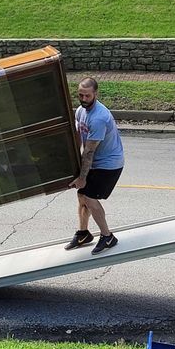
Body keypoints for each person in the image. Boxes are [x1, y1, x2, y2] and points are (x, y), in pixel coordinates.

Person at [65, 77, 125, 255]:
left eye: (87, 96)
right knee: (82, 195)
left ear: (96, 94)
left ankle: (108, 237)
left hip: (109, 164)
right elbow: (77, 137)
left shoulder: (99, 118)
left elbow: (89, 151)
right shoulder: (81, 111)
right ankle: (84, 233)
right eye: (80, 95)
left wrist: (83, 177)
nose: (83, 99)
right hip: (95, 162)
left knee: (89, 197)